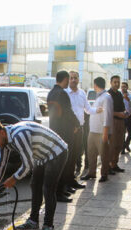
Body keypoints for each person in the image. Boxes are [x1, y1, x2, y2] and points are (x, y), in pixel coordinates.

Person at [0, 119, 68, 230]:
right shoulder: (4, 140)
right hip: (41, 156)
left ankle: (48, 227)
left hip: (56, 152)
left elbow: (28, 164)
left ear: (1, 132)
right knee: (35, 185)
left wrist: (14, 178)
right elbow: (1, 163)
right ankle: (33, 222)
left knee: (48, 189)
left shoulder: (19, 135)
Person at [47, 70, 81, 202]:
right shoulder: (62, 93)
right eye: (68, 80)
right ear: (65, 79)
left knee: (60, 163)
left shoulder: (51, 93)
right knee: (63, 163)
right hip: (64, 133)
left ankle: (61, 190)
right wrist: (77, 124)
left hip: (55, 131)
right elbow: (68, 112)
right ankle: (59, 193)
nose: (69, 82)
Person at [65, 71, 101, 177]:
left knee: (78, 150)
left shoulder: (82, 93)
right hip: (69, 128)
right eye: (71, 78)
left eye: (75, 78)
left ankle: (78, 169)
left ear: (78, 79)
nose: (73, 80)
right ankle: (68, 175)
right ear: (68, 79)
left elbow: (88, 109)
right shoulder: (65, 93)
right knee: (69, 152)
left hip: (80, 127)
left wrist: (97, 110)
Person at [81, 77, 113, 183]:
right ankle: (91, 172)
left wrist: (105, 132)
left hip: (101, 132)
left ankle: (104, 174)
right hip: (93, 130)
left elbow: (107, 116)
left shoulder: (106, 97)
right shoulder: (99, 97)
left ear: (95, 85)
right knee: (91, 153)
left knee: (103, 154)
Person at [107, 75, 128, 173]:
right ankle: (109, 166)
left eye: (118, 82)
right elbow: (107, 111)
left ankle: (115, 164)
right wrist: (118, 114)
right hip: (112, 122)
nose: (117, 84)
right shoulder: (108, 94)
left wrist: (125, 112)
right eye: (115, 82)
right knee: (112, 145)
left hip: (121, 121)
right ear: (110, 83)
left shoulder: (119, 94)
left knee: (119, 144)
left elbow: (122, 107)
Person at [121, 82, 131, 154]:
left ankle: (126, 144)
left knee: (130, 133)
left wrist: (128, 99)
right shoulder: (119, 95)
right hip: (122, 117)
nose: (123, 88)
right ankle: (123, 148)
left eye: (124, 86)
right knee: (122, 134)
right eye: (122, 87)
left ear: (127, 87)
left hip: (129, 116)